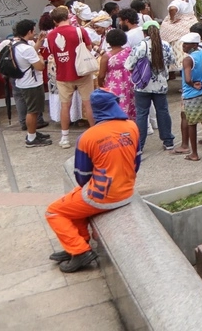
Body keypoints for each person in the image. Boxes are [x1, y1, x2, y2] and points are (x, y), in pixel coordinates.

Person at [45, 89, 140, 272]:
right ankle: (77, 243)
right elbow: (136, 163)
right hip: (127, 190)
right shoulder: (132, 127)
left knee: (54, 212)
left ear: (94, 110)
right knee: (73, 200)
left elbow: (82, 176)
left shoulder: (87, 137)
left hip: (102, 196)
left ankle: (80, 251)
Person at [47, 5, 95, 149]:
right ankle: (94, 134)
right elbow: (89, 48)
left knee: (65, 106)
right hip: (82, 73)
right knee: (88, 104)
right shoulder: (80, 31)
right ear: (68, 16)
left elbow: (52, 52)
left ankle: (65, 137)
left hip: (63, 75)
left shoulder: (50, 35)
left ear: (54, 21)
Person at [0, 19, 50, 146]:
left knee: (32, 110)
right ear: (29, 31)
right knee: (32, 111)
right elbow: (40, 67)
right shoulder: (27, 49)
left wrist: (38, 43)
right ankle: (31, 138)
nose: (35, 32)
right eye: (33, 30)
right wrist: (41, 58)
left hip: (22, 82)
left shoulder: (15, 45)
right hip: (32, 83)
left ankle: (33, 133)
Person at [125, 20, 175, 151]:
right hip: (161, 85)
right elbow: (172, 61)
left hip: (142, 85)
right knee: (163, 111)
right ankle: (168, 141)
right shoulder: (165, 45)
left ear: (144, 32)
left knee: (142, 113)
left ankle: (139, 145)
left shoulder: (140, 46)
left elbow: (129, 65)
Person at [175, 32, 202, 160]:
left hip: (191, 94)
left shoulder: (188, 59)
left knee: (192, 123)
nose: (183, 46)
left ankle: (194, 153)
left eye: (186, 44)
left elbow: (187, 79)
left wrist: (192, 84)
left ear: (194, 45)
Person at [98, 28, 135, 121]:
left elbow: (101, 75)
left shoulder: (107, 56)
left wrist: (100, 85)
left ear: (109, 41)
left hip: (114, 84)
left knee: (117, 105)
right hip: (130, 82)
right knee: (131, 104)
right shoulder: (130, 52)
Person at [159, 0, 197, 69]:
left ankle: (174, 66)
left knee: (168, 39)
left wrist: (172, 19)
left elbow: (172, 9)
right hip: (190, 23)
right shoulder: (188, 0)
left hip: (179, 27)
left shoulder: (176, 2)